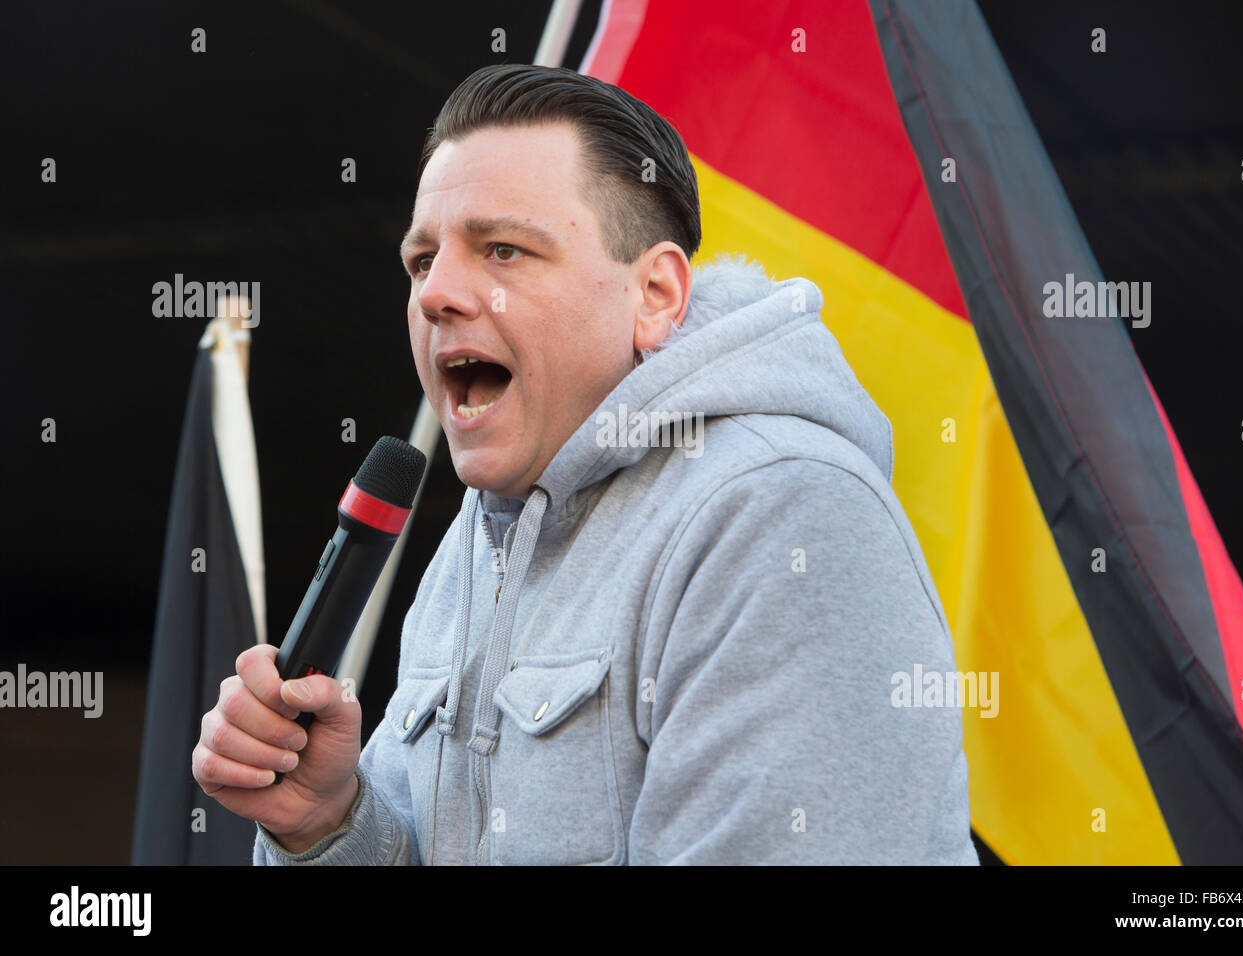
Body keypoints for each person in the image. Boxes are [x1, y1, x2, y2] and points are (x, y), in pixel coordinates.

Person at [193, 63, 979, 865]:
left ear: (657, 295)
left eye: (503, 249)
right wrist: (328, 825)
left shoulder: (784, 513)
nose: (437, 295)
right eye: (422, 261)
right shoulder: (475, 541)